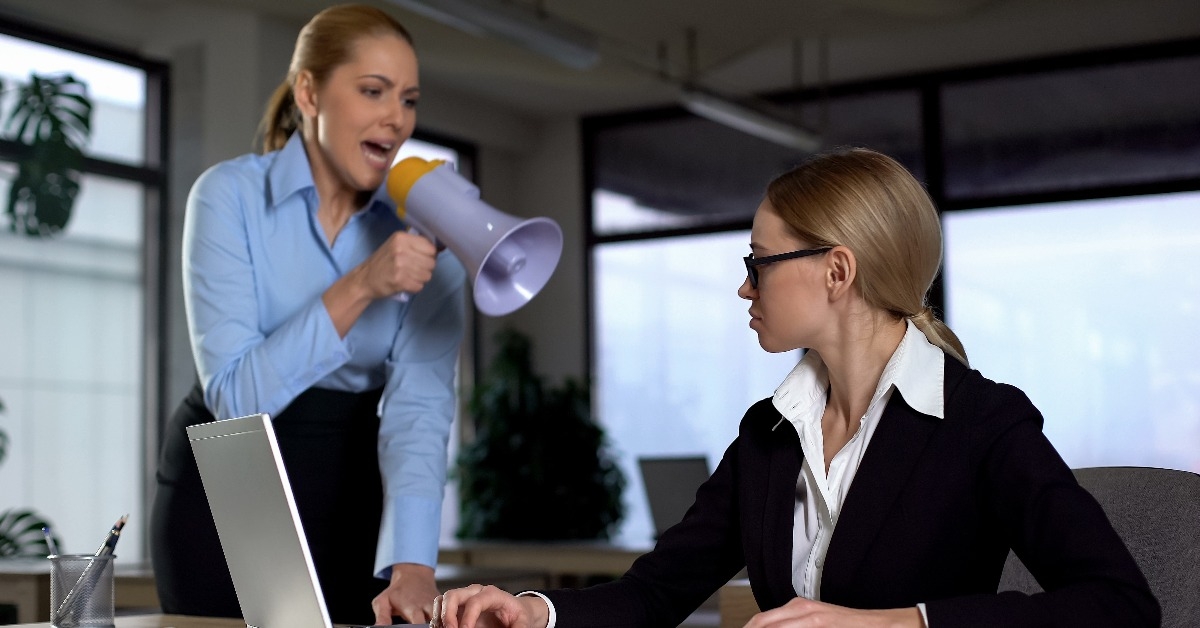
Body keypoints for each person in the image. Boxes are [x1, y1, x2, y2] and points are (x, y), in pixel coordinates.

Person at [431, 148, 1160, 628]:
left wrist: (895, 624)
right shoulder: (768, 434)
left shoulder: (980, 422)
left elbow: (1119, 604)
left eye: (760, 262)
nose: (743, 286)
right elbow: (657, 592)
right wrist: (531, 612)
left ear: (837, 272)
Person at [149, 4, 466, 625]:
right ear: (309, 92)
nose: (396, 119)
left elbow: (420, 414)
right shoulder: (227, 197)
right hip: (225, 484)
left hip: (350, 492)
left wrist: (412, 564)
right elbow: (235, 398)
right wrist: (364, 284)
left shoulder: (431, 241)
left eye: (409, 99)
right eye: (373, 91)